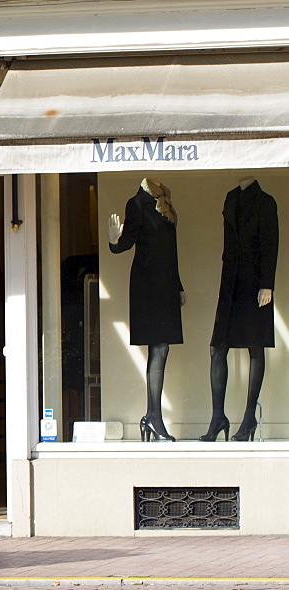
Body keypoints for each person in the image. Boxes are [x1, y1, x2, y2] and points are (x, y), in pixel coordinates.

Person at [200, 177, 279, 443]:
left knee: (255, 347)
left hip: (255, 282)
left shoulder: (266, 202)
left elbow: (271, 245)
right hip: (230, 281)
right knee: (217, 347)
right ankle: (218, 417)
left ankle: (248, 418)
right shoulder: (230, 199)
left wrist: (267, 284)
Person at [109, 177, 186, 441]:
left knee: (162, 348)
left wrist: (178, 285)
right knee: (159, 347)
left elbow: (171, 250)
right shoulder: (137, 204)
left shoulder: (164, 202)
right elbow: (127, 243)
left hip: (165, 285)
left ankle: (152, 417)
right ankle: (153, 417)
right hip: (147, 285)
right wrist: (113, 240)